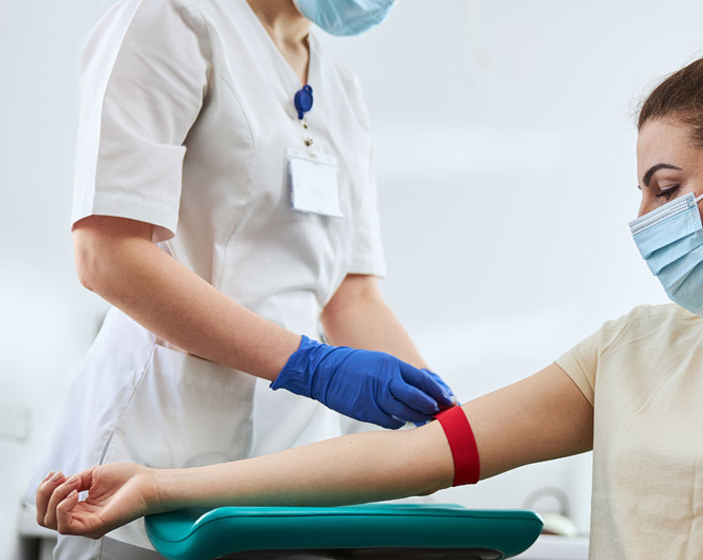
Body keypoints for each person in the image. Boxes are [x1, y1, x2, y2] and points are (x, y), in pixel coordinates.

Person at [39, 2, 703, 557]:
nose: (646, 222)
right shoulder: (635, 349)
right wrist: (164, 480)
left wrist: (387, 386)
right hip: (170, 415)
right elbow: (110, 250)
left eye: (666, 188)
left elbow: (353, 294)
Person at [30, 0, 456, 557]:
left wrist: (450, 429)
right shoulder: (175, 18)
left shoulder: (342, 92)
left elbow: (353, 296)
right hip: (158, 443)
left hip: (291, 467)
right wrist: (310, 365)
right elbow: (107, 253)